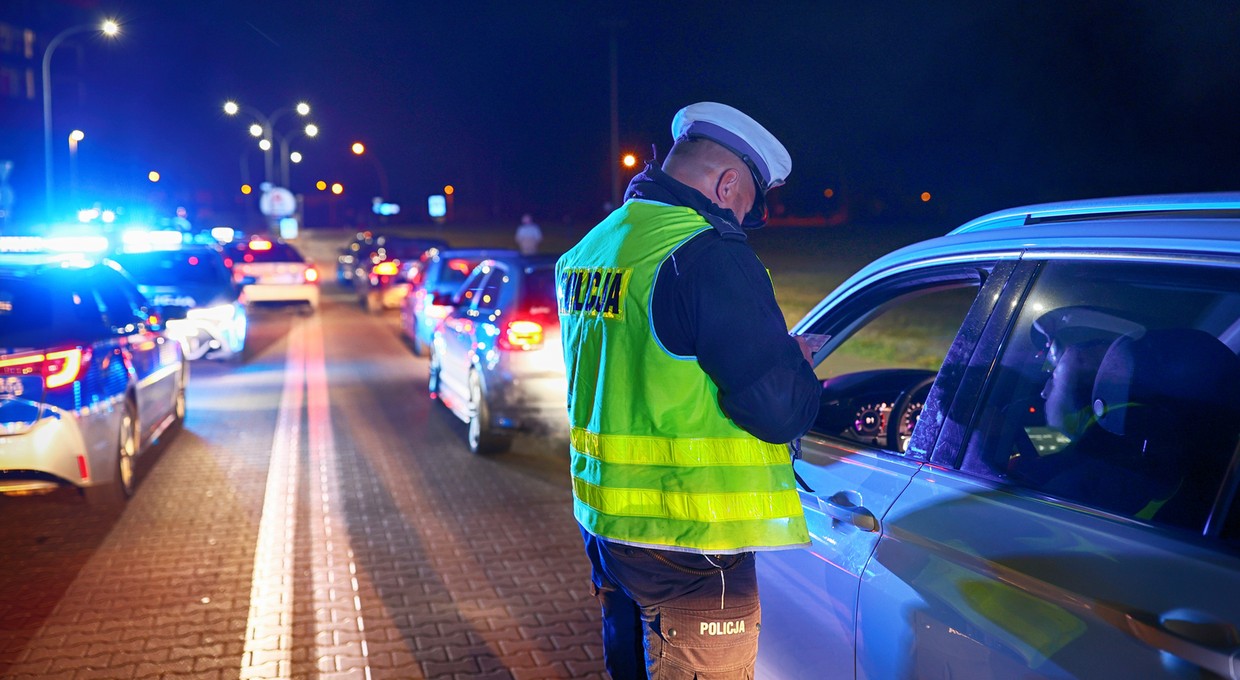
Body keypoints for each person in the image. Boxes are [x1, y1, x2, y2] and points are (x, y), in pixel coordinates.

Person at [556, 102, 821, 678]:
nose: (739, 222)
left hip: (608, 526)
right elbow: (780, 412)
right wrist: (794, 364)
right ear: (728, 184)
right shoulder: (706, 252)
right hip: (692, 538)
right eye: (746, 206)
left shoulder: (592, 249)